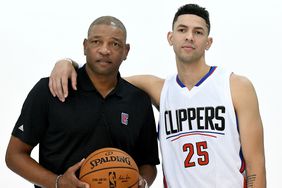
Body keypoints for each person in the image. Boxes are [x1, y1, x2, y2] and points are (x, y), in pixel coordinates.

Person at [48, 4, 266, 188]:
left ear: (208, 42)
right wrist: (67, 63)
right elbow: (103, 78)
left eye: (198, 32)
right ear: (170, 38)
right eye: (182, 30)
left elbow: (255, 163)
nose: (189, 37)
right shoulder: (159, 89)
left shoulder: (235, 85)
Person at [5, 16, 160, 188]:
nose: (104, 50)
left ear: (126, 51)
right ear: (85, 46)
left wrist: (142, 183)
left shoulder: (138, 100)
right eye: (96, 42)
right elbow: (15, 155)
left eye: (115, 44)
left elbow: (148, 164)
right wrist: (57, 183)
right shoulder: (50, 89)